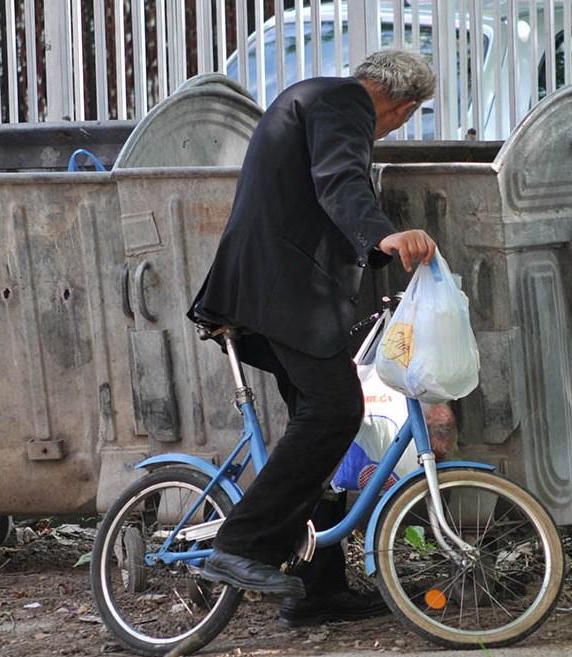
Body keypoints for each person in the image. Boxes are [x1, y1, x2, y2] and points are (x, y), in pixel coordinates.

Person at [187, 50, 438, 625]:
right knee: (334, 410)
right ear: (401, 108)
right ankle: (240, 545)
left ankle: (317, 589)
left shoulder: (317, 99)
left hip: (278, 292)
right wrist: (386, 236)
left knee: (317, 432)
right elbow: (340, 181)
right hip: (281, 293)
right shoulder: (343, 102)